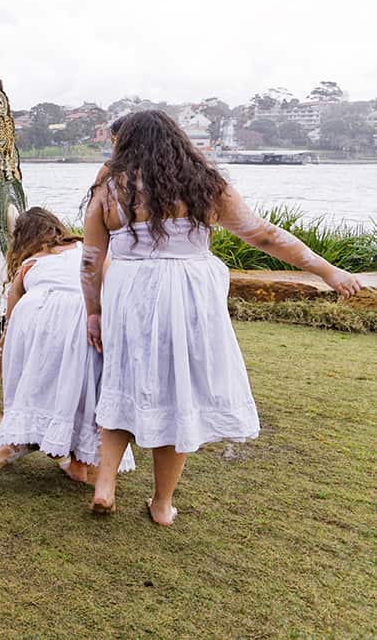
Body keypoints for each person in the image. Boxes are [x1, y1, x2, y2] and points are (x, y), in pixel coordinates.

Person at [81, 110, 362, 525]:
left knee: (122, 380)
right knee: (179, 393)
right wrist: (327, 270)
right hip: (190, 298)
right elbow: (265, 235)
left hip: (131, 298)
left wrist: (94, 311)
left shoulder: (109, 191)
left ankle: (105, 485)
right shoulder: (205, 185)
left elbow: (90, 261)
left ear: (128, 144)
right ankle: (161, 504)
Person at [0, 207, 134, 487]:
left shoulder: (29, 266)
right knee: (83, 391)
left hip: (34, 316)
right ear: (57, 228)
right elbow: (115, 286)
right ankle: (17, 457)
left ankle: (73, 465)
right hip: (82, 312)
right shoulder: (88, 249)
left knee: (43, 395)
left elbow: (6, 337)